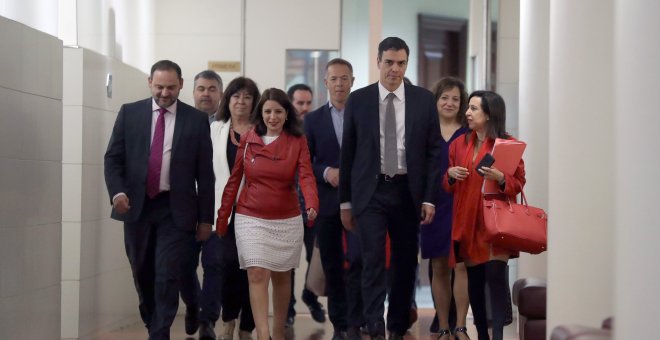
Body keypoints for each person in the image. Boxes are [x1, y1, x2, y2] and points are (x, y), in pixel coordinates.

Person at [339, 37, 442, 340]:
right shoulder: (359, 100)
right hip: (370, 193)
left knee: (406, 261)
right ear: (378, 62)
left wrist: (429, 198)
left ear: (406, 64)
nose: (394, 69)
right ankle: (374, 323)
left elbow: (434, 153)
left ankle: (397, 323)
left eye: (401, 63)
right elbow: (348, 154)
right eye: (389, 62)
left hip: (407, 191)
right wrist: (345, 202)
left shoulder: (423, 100)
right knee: (371, 259)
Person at [103, 60, 214, 340]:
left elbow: (205, 175)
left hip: (175, 210)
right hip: (137, 208)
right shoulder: (130, 114)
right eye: (160, 86)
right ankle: (153, 322)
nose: (165, 93)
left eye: (171, 87)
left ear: (181, 85)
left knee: (167, 273)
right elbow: (113, 159)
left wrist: (205, 219)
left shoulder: (196, 120)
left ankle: (160, 333)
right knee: (142, 272)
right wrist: (117, 193)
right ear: (149, 82)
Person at [216, 88, 319, 340]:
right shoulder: (248, 138)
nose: (272, 117)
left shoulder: (298, 141)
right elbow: (234, 179)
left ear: (286, 114)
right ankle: (263, 334)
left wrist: (312, 202)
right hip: (250, 216)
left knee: (282, 276)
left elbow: (306, 174)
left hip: (286, 217)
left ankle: (277, 331)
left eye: (278, 111)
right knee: (257, 272)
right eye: (267, 111)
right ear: (260, 114)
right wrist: (223, 215)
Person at [443, 90, 525, 340]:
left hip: (495, 222)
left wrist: (500, 178)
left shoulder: (507, 144)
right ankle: (482, 335)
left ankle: (498, 335)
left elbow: (519, 183)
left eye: (474, 108)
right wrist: (449, 175)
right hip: (468, 222)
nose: (467, 113)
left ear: (489, 115)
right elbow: (447, 185)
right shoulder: (460, 143)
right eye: (468, 107)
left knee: (496, 279)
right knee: (475, 284)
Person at [303, 58, 355, 340]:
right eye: (334, 79)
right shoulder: (312, 120)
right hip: (327, 202)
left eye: (344, 78)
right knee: (333, 265)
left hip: (360, 202)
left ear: (352, 81)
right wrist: (325, 172)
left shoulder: (363, 115)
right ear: (325, 83)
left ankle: (361, 320)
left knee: (360, 262)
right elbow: (305, 162)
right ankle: (341, 325)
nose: (339, 84)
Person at [211, 77, 261, 340]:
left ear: (255, 102)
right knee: (229, 265)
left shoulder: (263, 131)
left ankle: (247, 327)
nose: (241, 102)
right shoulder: (215, 129)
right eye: (236, 96)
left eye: (247, 97)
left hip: (256, 212)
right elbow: (207, 172)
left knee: (253, 270)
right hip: (225, 212)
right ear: (227, 100)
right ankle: (229, 319)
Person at [420, 77, 469, 339]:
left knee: (461, 265)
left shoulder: (469, 132)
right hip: (433, 204)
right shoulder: (425, 129)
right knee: (439, 265)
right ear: (435, 99)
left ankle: (460, 325)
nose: (450, 103)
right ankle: (442, 325)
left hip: (462, 205)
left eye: (456, 99)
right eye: (445, 98)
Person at [178, 70, 224, 339]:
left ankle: (208, 321)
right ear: (192, 92)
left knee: (214, 264)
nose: (205, 93)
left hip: (218, 207)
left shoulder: (228, 126)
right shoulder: (180, 122)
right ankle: (193, 303)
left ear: (220, 93)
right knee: (183, 264)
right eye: (201, 88)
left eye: (211, 88)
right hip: (185, 206)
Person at [285, 83, 326, 326]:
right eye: (300, 103)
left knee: (317, 259)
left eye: (308, 103)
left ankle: (309, 296)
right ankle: (288, 309)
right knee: (287, 263)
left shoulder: (317, 129)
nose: (305, 108)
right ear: (290, 104)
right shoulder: (281, 131)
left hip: (313, 210)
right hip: (287, 210)